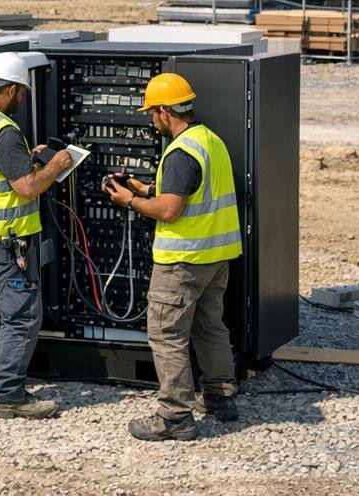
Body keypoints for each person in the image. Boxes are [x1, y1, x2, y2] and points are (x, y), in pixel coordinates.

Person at [102, 72, 242, 441]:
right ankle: (220, 396)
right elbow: (188, 192)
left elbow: (170, 210)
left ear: (165, 112)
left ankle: (175, 416)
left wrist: (128, 200)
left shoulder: (180, 152)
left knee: (166, 334)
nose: (151, 119)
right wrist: (143, 187)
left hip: (183, 261)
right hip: (215, 257)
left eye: (152, 113)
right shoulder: (209, 140)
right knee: (210, 327)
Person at [0, 51, 75, 420]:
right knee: (20, 317)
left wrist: (30, 159)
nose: (22, 99)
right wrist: (55, 165)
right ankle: (9, 395)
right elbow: (25, 188)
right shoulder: (4, 131)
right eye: (21, 92)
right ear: (11, 91)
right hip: (10, 241)